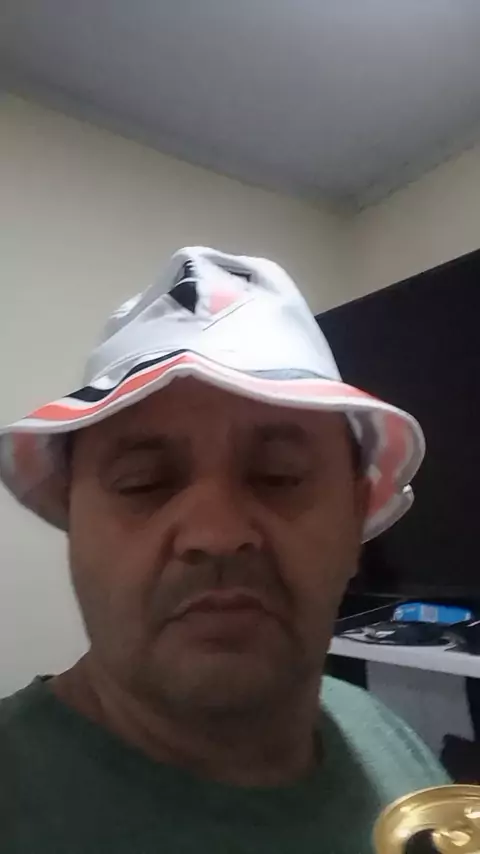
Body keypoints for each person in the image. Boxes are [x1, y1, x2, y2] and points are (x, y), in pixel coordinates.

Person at [0, 247, 447, 853]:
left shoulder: (383, 731)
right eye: (143, 483)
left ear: (355, 519)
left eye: (279, 475)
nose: (215, 534)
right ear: (74, 525)